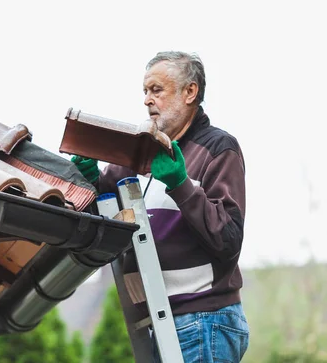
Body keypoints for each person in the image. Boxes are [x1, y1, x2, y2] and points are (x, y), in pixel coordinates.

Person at [73, 51, 249, 362]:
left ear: (190, 92)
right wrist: (92, 183)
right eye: (145, 91)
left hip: (203, 319)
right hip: (156, 322)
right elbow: (110, 216)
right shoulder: (136, 154)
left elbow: (229, 240)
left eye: (157, 90)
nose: (147, 100)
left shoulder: (218, 149)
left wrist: (181, 184)